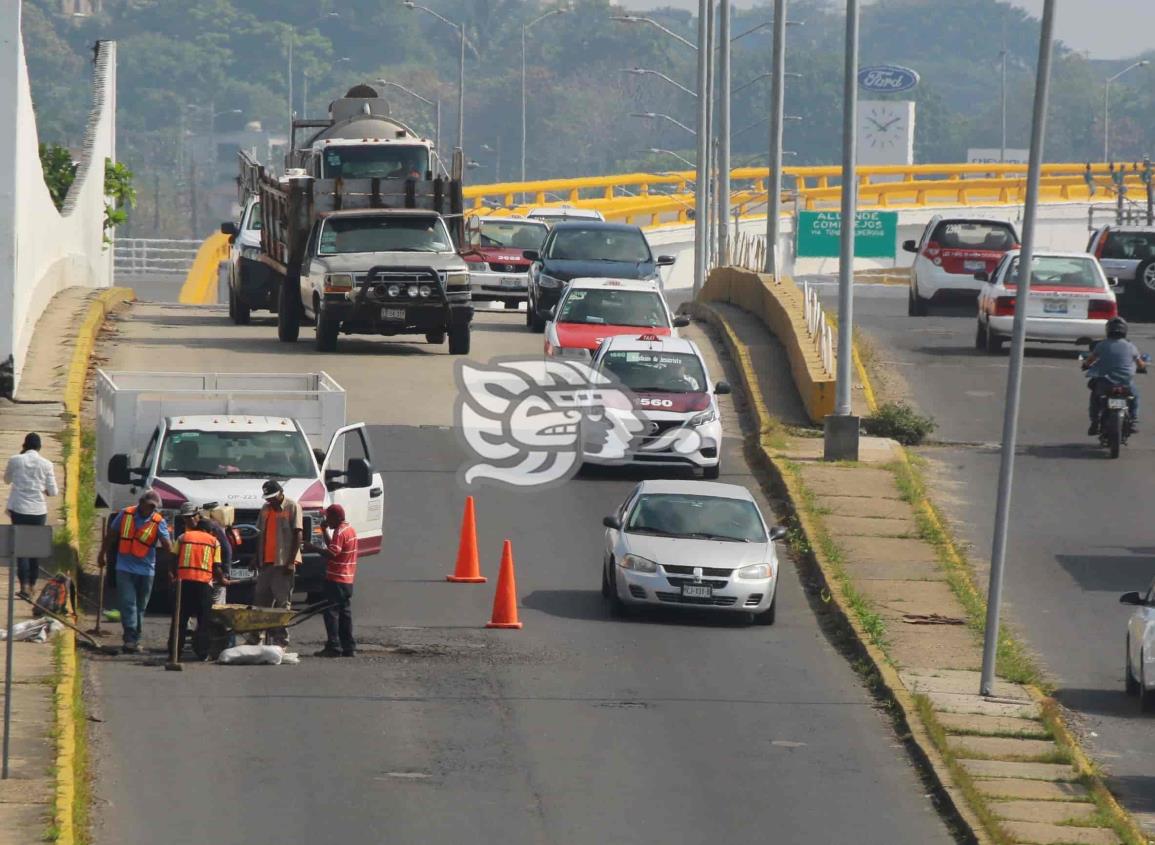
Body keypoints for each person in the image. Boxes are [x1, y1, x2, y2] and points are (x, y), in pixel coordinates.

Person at [99, 490, 174, 654]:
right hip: (124, 567)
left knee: (140, 607)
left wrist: (172, 568)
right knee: (128, 604)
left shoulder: (158, 521)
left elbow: (167, 545)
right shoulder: (126, 514)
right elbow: (110, 536)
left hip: (147, 570)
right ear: (141, 503)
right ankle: (130, 639)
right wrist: (101, 555)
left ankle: (135, 638)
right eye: (150, 506)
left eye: (155, 507)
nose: (152, 509)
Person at [4, 433, 58, 599]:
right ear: (39, 448)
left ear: (24, 445)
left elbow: (7, 480)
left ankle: (24, 586)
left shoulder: (15, 460)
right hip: (38, 511)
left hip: (19, 509)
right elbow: (53, 491)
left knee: (21, 549)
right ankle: (33, 584)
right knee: (34, 548)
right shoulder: (47, 464)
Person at [251, 480, 302, 646]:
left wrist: (290, 561)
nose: (270, 501)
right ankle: (256, 637)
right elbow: (260, 535)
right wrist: (255, 556)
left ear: (280, 492)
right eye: (268, 498)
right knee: (260, 601)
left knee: (281, 604)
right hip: (266, 563)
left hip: (282, 563)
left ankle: (281, 640)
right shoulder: (265, 509)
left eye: (272, 497)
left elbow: (298, 535)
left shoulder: (292, 506)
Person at [168, 507, 223, 662]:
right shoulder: (214, 541)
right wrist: (222, 580)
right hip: (203, 584)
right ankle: (202, 652)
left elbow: (172, 557)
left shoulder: (183, 537)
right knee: (203, 620)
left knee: (180, 620)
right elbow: (216, 566)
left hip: (183, 583)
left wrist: (173, 574)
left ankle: (174, 652)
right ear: (209, 530)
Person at [305, 503, 358, 658]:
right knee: (344, 613)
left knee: (331, 613)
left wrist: (312, 548)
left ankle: (333, 646)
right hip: (347, 580)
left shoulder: (340, 532)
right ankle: (349, 647)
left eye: (328, 517)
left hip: (336, 579)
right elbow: (335, 548)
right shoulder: (350, 530)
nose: (326, 520)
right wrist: (323, 531)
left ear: (336, 517)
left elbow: (332, 554)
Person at [1083, 317, 1147, 435]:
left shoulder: (1101, 345)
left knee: (1095, 398)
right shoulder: (1130, 346)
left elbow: (1090, 360)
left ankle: (1095, 423)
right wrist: (1143, 367)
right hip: (1125, 383)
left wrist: (1085, 365)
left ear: (1108, 330)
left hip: (1104, 382)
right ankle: (1133, 421)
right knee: (1135, 397)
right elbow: (1140, 364)